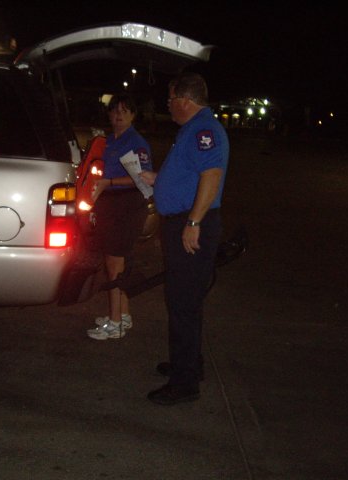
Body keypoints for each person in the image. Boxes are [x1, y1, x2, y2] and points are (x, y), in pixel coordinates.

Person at [139, 72, 229, 405]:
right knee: (186, 302)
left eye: (170, 99)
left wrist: (193, 221)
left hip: (190, 225)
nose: (168, 105)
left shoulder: (204, 130)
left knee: (182, 304)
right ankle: (188, 364)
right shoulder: (192, 129)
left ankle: (184, 383)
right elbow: (191, 173)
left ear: (185, 101)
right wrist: (160, 178)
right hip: (183, 222)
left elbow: (211, 176)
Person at [86, 94, 153, 340]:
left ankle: (115, 324)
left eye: (125, 111)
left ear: (133, 115)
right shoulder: (109, 140)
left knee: (115, 264)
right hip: (110, 204)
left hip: (127, 204)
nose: (118, 115)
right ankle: (123, 316)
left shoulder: (136, 142)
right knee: (115, 262)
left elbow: (144, 177)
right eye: (115, 111)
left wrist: (110, 182)